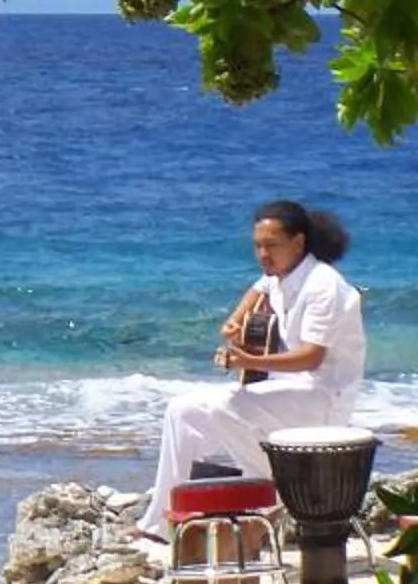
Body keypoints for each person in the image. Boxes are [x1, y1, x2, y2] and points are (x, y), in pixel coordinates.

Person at [133, 199, 366, 543]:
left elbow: (311, 358)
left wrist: (249, 362)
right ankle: (161, 524)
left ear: (298, 243)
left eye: (271, 245)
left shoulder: (323, 284)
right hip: (286, 390)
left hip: (323, 396)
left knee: (226, 406)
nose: (262, 255)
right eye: (257, 246)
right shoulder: (282, 275)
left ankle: (276, 490)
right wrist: (236, 320)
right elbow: (259, 288)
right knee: (182, 411)